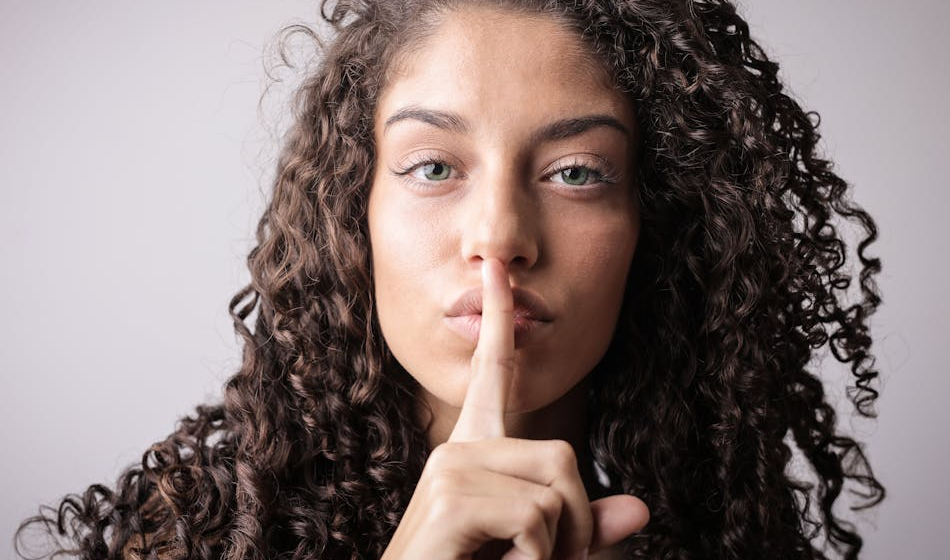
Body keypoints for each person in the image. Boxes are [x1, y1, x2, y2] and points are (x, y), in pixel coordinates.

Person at [16, 0, 886, 559]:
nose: (500, 237)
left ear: (655, 229)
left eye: (577, 172)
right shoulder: (192, 542)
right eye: (433, 167)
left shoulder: (736, 538)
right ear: (348, 216)